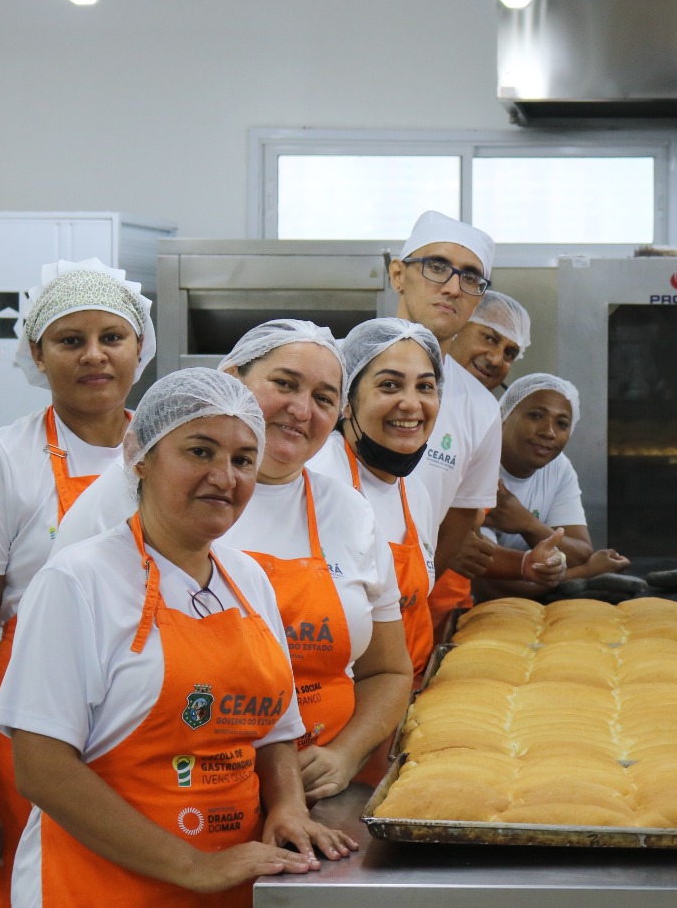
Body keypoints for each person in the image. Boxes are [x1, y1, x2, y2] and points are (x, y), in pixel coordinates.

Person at [0, 369, 356, 908]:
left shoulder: (249, 579)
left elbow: (275, 731)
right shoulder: (79, 581)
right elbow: (40, 767)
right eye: (200, 451)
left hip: (232, 897)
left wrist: (285, 804)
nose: (224, 477)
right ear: (142, 457)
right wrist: (191, 864)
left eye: (243, 460)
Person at [54, 319, 414, 801]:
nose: (301, 409)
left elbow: (388, 670)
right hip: (152, 793)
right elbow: (54, 706)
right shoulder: (127, 496)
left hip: (313, 800)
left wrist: (345, 755)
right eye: (284, 383)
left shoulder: (350, 513)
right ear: (232, 379)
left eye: (325, 398)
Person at [0, 258, 154, 908]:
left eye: (112, 337)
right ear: (37, 354)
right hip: (28, 733)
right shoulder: (3, 462)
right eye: (69, 340)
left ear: (140, 349)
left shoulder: (170, 445)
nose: (94, 355)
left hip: (145, 725)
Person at [389, 211, 506, 634]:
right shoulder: (330, 365)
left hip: (403, 616)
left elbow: (458, 522)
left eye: (471, 277)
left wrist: (405, 595)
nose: (453, 286)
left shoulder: (479, 406)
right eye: (437, 266)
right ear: (398, 274)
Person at [308, 318, 445, 676]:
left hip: (412, 696)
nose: (411, 404)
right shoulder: (321, 481)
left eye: (425, 387)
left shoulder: (413, 488)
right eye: (390, 385)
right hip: (348, 704)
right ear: (347, 400)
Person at [476, 373, 629, 600]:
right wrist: (587, 572)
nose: (548, 432)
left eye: (562, 423)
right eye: (536, 415)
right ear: (503, 416)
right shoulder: (477, 467)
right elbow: (491, 585)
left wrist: (528, 524)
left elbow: (580, 551)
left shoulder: (558, 467)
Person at [447, 289, 529, 392]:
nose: (496, 360)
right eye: (489, 338)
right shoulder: (422, 398)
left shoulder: (491, 408)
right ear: (457, 326)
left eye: (509, 353)